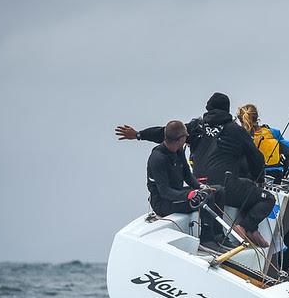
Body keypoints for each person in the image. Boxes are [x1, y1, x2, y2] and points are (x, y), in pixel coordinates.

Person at [115, 93, 274, 248]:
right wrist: (258, 180)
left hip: (199, 184)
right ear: (227, 110)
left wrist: (138, 135)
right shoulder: (236, 131)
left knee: (233, 188)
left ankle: (229, 234)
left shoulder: (195, 127)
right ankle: (245, 227)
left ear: (208, 108)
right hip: (226, 188)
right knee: (266, 198)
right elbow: (257, 158)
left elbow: (165, 132)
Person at [146, 120, 210, 219]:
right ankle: (206, 234)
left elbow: (187, 174)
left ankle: (217, 232)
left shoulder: (179, 150)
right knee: (205, 199)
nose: (187, 137)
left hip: (177, 193)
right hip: (163, 203)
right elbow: (164, 191)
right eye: (185, 136)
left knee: (216, 191)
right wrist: (188, 195)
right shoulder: (158, 159)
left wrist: (200, 186)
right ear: (179, 139)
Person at [237, 103, 289, 183]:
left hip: (248, 178)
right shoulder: (272, 133)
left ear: (241, 120)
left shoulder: (238, 136)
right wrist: (286, 172)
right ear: (257, 117)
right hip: (275, 176)